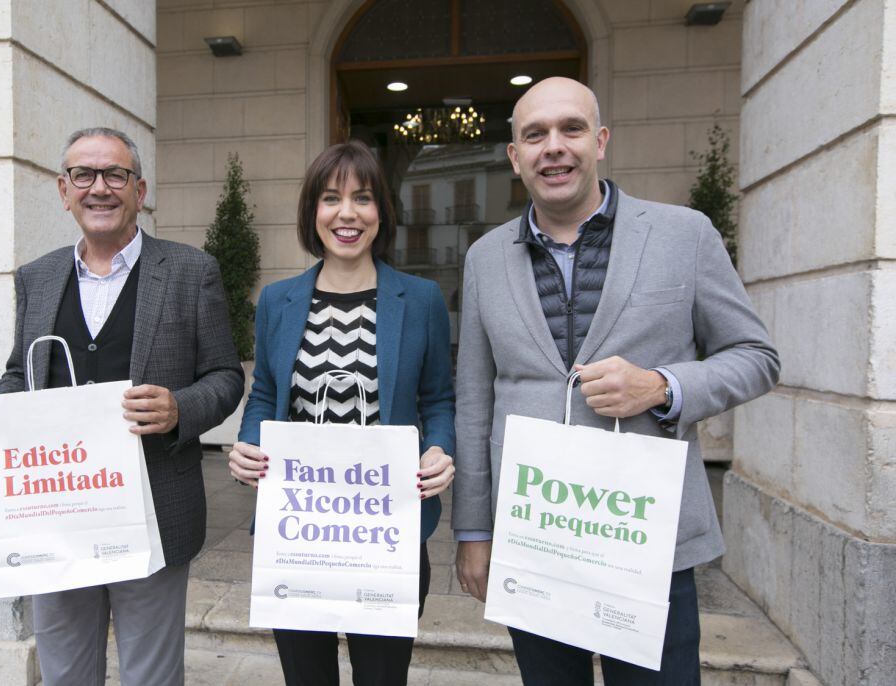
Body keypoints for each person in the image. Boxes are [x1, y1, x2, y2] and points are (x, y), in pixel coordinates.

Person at [451, 77, 780, 685]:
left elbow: (757, 356)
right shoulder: (485, 257)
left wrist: (661, 386)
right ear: (514, 157)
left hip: (643, 537)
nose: (554, 146)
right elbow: (473, 400)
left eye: (570, 129)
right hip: (537, 535)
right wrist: (473, 530)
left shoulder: (684, 235)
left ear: (600, 141)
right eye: (535, 134)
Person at [0, 127, 244, 686]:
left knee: (151, 677)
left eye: (115, 175)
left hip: (155, 511)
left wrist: (180, 407)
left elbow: (225, 376)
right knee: (64, 674)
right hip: (55, 518)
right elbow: (23, 372)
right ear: (64, 191)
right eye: (84, 175)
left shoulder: (190, 271)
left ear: (140, 189)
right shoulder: (37, 277)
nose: (100, 188)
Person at [228, 140, 456, 686]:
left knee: (382, 678)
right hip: (300, 530)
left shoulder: (420, 300)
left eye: (363, 198)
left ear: (383, 213)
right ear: (313, 212)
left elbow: (439, 399)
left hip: (387, 533)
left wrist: (440, 448)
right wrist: (248, 441)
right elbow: (263, 393)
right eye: (331, 198)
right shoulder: (278, 301)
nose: (347, 213)